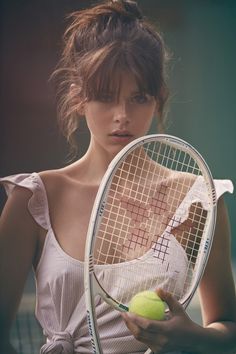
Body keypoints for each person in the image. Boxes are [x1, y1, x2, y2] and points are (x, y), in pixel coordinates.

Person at [0, 1, 236, 353]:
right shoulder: (33, 198)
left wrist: (192, 337)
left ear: (158, 100)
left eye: (138, 97)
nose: (122, 116)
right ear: (79, 98)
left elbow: (229, 329)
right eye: (105, 97)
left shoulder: (198, 200)